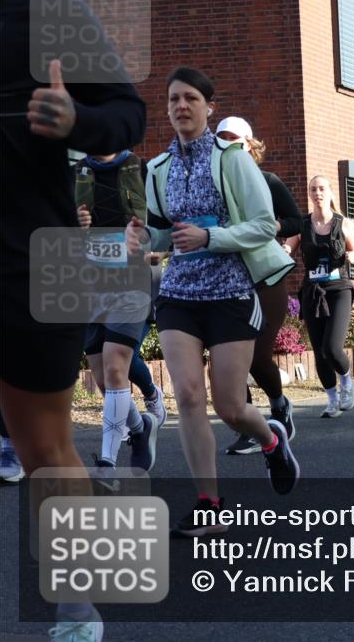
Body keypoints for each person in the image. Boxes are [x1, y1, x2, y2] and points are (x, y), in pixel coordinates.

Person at [2, 0, 147, 636]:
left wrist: (77, 122)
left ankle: (78, 611)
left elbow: (126, 112)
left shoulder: (42, 2)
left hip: (36, 256)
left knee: (45, 447)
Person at [126, 67, 299, 537]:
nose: (181, 106)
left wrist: (211, 236)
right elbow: (161, 232)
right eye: (173, 100)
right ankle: (209, 503)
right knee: (186, 396)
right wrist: (142, 237)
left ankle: (270, 439)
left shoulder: (233, 160)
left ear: (209, 107)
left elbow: (266, 224)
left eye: (190, 99)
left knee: (229, 406)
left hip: (230, 292)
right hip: (180, 294)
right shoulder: (158, 169)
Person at [214, 116, 303, 455]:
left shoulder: (268, 181)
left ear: (249, 144)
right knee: (227, 357)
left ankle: (280, 407)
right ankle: (248, 425)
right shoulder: (213, 185)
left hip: (267, 277)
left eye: (233, 139)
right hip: (226, 281)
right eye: (220, 139)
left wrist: (268, 224)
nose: (226, 145)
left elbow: (297, 221)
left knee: (257, 356)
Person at [74, 148, 165, 477]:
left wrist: (147, 242)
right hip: (90, 283)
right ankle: (141, 428)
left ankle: (108, 462)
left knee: (115, 368)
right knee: (102, 378)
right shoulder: (78, 172)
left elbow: (165, 227)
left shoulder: (141, 169)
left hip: (131, 279)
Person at [288, 176, 354, 419]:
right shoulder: (303, 224)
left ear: (330, 193)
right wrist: (284, 250)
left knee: (332, 347)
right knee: (319, 350)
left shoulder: (342, 223)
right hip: (312, 290)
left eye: (321, 189)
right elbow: (289, 247)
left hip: (338, 288)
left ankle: (347, 382)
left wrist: (353, 257)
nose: (317, 193)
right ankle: (331, 399)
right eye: (313, 189)